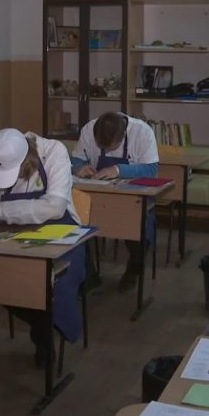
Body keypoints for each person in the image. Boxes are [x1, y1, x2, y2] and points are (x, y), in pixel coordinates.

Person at [0, 128, 85, 367]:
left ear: (28, 160)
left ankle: (45, 333)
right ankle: (43, 327)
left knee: (56, 285)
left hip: (62, 233)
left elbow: (55, 207)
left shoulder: (54, 152)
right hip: (16, 235)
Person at [70, 112, 159, 290]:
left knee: (142, 232)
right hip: (96, 195)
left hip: (133, 198)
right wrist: (78, 167)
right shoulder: (88, 129)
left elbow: (151, 170)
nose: (108, 150)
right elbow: (75, 159)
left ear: (124, 134)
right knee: (73, 227)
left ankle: (133, 270)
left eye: (112, 147)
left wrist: (118, 170)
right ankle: (89, 278)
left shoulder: (143, 132)